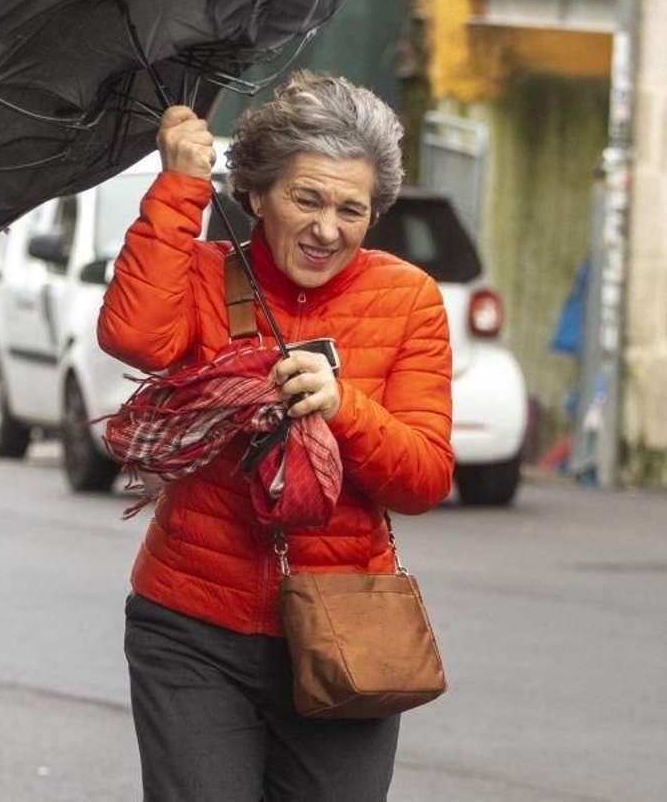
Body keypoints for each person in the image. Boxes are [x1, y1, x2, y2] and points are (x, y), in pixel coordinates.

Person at [97, 71, 454, 802]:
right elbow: (132, 336)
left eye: (352, 209)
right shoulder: (206, 276)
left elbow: (423, 479)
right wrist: (179, 186)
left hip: (344, 627)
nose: (328, 229)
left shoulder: (408, 299)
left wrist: (344, 406)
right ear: (258, 194)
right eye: (307, 198)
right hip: (193, 624)